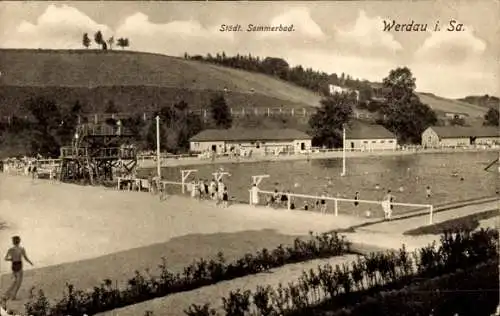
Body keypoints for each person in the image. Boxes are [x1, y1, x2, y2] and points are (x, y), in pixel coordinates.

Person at [4, 236, 33, 301]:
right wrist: (30, 262)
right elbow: (25, 258)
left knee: (14, 281)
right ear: (19, 241)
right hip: (19, 265)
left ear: (13, 242)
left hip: (14, 265)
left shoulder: (10, 249)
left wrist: (11, 259)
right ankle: (13, 296)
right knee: (18, 282)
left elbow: (5, 258)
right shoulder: (21, 248)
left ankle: (7, 294)